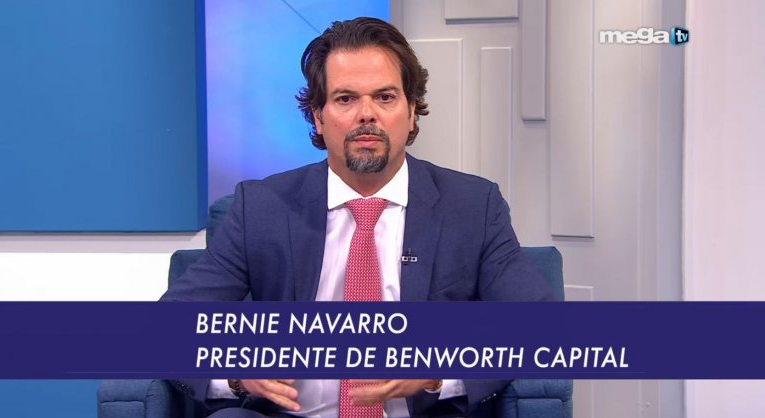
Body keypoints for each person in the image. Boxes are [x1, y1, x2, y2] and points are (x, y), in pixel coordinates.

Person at [162, 16, 553, 418]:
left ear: (412, 111)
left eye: (385, 97)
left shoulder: (472, 206)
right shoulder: (262, 207)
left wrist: (438, 373)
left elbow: (537, 323)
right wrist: (236, 376)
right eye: (346, 99)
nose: (367, 114)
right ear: (318, 116)